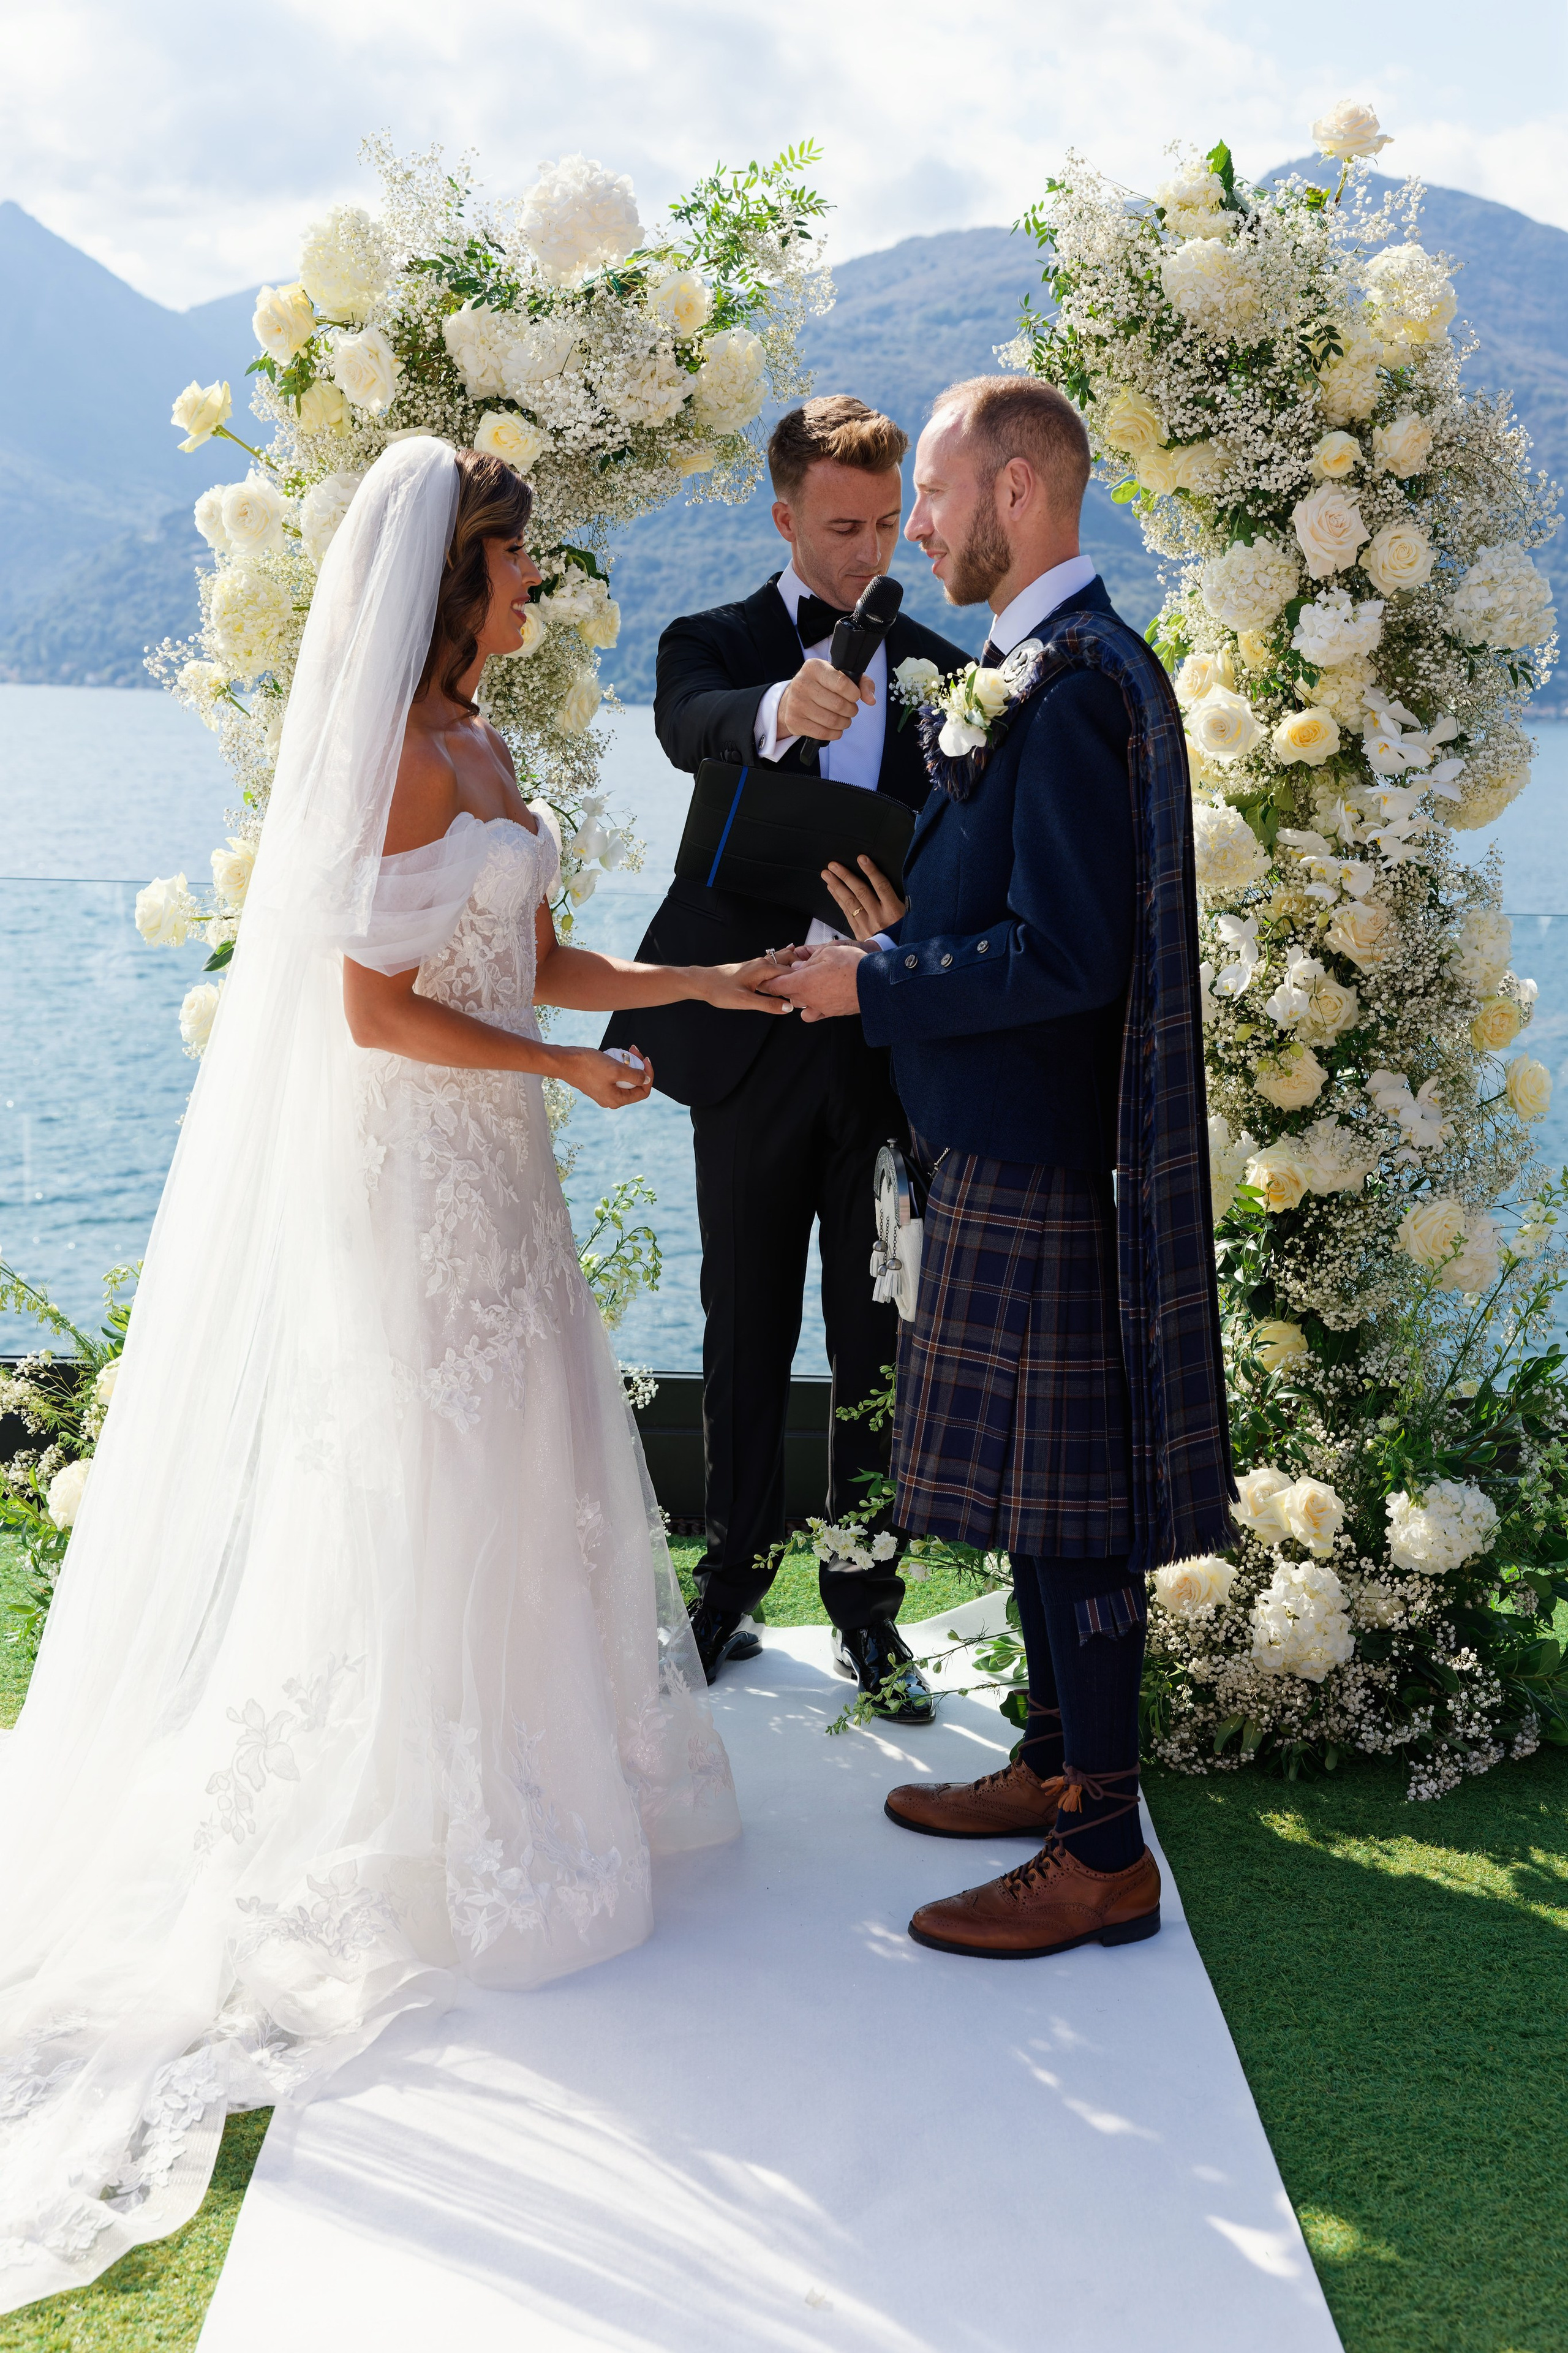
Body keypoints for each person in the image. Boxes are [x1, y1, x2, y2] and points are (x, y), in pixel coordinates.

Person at [0, 438, 786, 2309]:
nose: (538, 597)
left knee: (524, 1473)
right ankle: (423, 1825)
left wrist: (699, 989)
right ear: (449, 582)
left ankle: (527, 1787)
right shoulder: (398, 756)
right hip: (410, 1180)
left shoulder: (492, 749)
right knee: (430, 1474)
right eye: (517, 572)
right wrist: (562, 1075)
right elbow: (370, 1005)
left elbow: (523, 953)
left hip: (493, 1176)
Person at [762, 377, 1234, 1959]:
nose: (917, 525)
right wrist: (917, 943)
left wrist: (873, 985)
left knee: (1070, 1514)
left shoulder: (1083, 679)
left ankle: (1103, 1844)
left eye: (939, 493)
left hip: (1039, 1160)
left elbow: (1074, 955)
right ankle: (1052, 1766)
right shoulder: (1032, 670)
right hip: (998, 1147)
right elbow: (1023, 923)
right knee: (1044, 1509)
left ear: (1019, 490)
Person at [605, 396, 968, 1718]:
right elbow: (686, 723)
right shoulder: (712, 643)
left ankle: (871, 1612)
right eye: (839, 527)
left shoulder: (941, 669)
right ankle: (730, 1587)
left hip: (875, 1047)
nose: (867, 551)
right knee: (743, 1321)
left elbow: (966, 859)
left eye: (883, 526)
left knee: (879, 1337)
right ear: (781, 518)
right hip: (748, 1037)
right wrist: (773, 706)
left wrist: (905, 934)